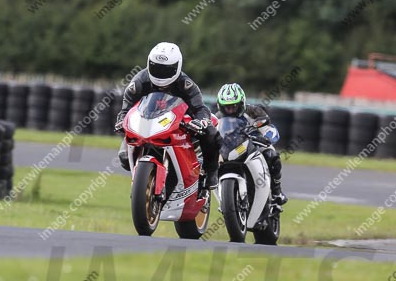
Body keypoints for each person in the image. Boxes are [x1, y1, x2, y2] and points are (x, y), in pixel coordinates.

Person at [115, 42, 221, 188]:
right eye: (156, 68)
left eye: (166, 70)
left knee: (211, 133)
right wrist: (122, 120)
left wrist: (201, 121)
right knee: (124, 158)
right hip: (147, 123)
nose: (160, 74)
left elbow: (200, 108)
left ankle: (211, 171)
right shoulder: (139, 82)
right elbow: (126, 109)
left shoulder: (186, 85)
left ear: (177, 67)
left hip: (178, 123)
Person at [215, 82, 288, 206]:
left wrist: (267, 139)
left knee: (272, 154)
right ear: (220, 106)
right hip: (230, 148)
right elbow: (212, 134)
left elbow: (269, 127)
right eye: (227, 107)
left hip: (253, 143)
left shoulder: (253, 111)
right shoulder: (217, 118)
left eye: (234, 106)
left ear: (241, 103)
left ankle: (277, 191)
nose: (231, 110)